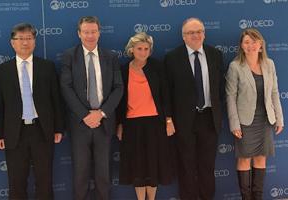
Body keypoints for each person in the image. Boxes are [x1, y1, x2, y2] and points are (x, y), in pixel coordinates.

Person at [0, 23, 64, 199]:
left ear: (34, 42)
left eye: (29, 38)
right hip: (14, 133)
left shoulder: (47, 67)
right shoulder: (2, 70)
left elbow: (56, 99)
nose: (25, 42)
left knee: (45, 180)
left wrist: (58, 128)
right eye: (20, 39)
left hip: (42, 130)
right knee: (16, 182)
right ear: (12, 43)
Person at [60, 16, 123, 200]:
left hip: (104, 123)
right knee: (80, 174)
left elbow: (119, 87)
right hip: (80, 124)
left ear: (99, 33)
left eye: (93, 31)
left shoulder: (110, 57)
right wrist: (85, 115)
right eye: (86, 32)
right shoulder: (69, 56)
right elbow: (66, 87)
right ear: (79, 34)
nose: (90, 35)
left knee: (104, 174)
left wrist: (101, 113)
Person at [164, 17, 224, 200]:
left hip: (209, 118)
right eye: (191, 32)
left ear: (204, 34)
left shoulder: (215, 55)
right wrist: (168, 119)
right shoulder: (172, 58)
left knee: (207, 166)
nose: (196, 35)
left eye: (199, 31)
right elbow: (167, 93)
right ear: (183, 36)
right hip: (184, 122)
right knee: (186, 166)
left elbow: (220, 88)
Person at [225, 28, 284, 200]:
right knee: (244, 159)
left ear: (261, 44)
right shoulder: (235, 66)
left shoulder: (269, 64)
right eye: (247, 42)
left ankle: (257, 197)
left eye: (254, 41)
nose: (250, 45)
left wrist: (279, 118)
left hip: (265, 120)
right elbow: (230, 97)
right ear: (242, 46)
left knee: (260, 159)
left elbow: (274, 92)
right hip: (244, 122)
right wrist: (234, 124)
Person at [116, 32, 174, 200]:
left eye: (146, 49)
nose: (143, 52)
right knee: (138, 167)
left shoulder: (158, 67)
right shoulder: (123, 70)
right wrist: (120, 125)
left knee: (153, 165)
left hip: (155, 124)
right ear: (131, 50)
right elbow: (120, 102)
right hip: (132, 125)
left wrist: (169, 120)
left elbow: (166, 96)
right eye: (139, 48)